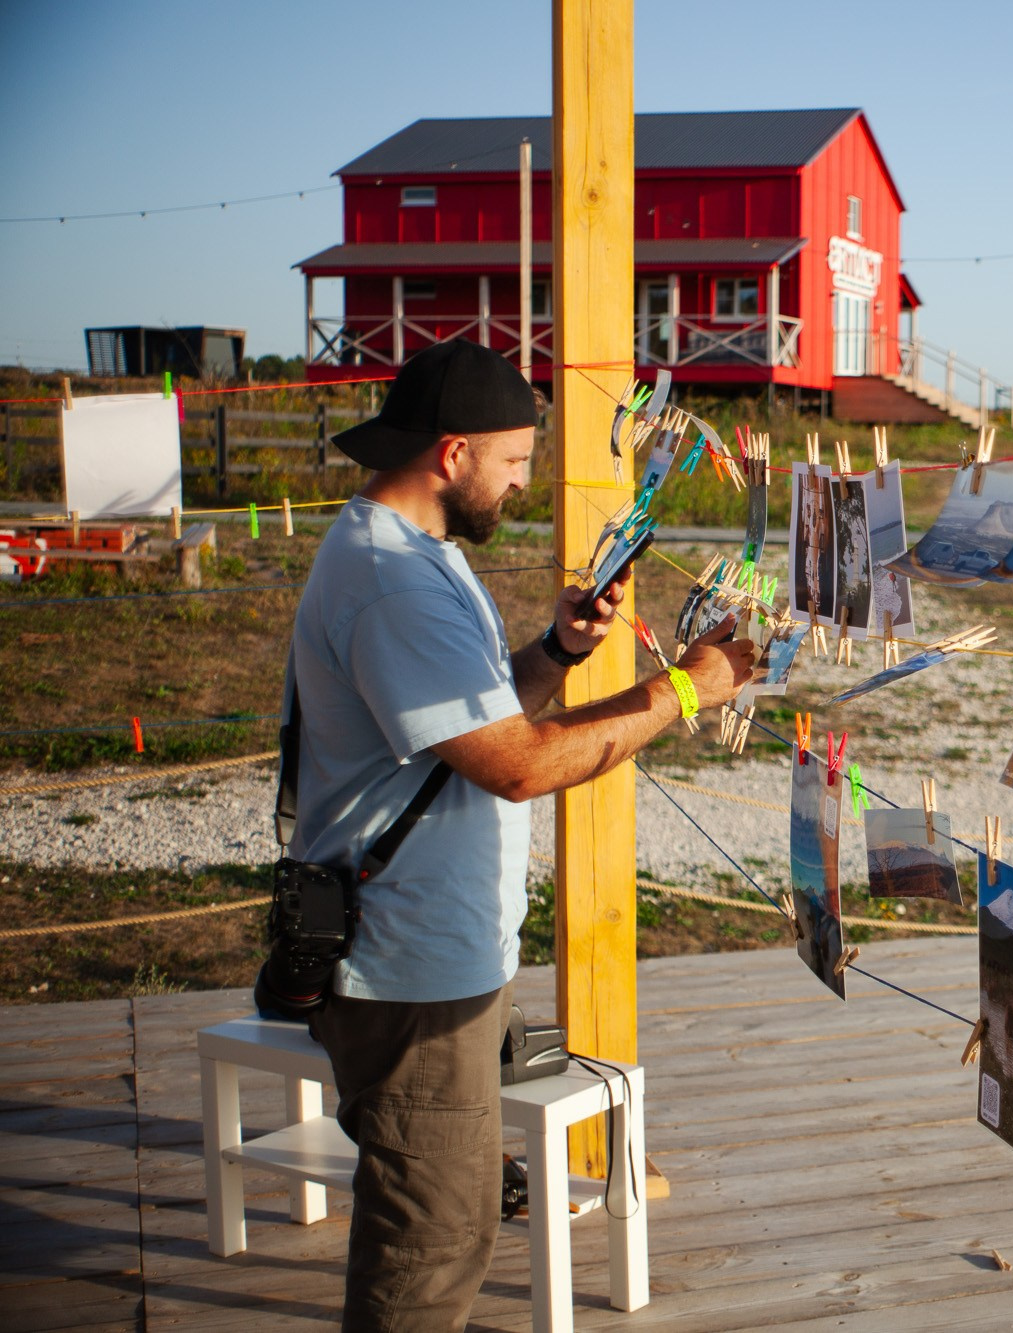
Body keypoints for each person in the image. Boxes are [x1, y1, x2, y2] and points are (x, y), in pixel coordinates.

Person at [286, 339, 753, 1330]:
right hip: (408, 973)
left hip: (436, 957)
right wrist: (683, 687)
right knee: (435, 1238)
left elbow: (475, 725)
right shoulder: (392, 582)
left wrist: (558, 649)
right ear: (450, 453)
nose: (518, 487)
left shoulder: (418, 555)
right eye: (511, 465)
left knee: (445, 1213)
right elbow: (518, 764)